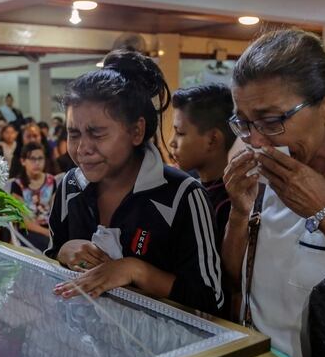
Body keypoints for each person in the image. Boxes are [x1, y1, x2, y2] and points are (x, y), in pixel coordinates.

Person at [222, 29, 325, 357]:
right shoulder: (264, 172)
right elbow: (235, 280)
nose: (256, 140)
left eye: (271, 120)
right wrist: (239, 212)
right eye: (243, 122)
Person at [48, 49, 224, 315]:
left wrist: (135, 270)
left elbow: (211, 300)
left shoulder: (182, 195)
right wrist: (62, 252)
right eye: (74, 134)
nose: (83, 148)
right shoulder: (70, 186)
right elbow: (47, 267)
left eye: (97, 133)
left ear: (136, 131)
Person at [169, 84, 236, 244]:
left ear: (212, 139)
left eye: (180, 133)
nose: (172, 142)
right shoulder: (193, 187)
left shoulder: (229, 204)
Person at [11, 142, 57, 252]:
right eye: (32, 159)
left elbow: (55, 212)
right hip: (29, 230)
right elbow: (24, 222)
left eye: (40, 158)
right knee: (48, 246)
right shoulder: (17, 184)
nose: (37, 163)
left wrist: (53, 232)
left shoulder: (51, 181)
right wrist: (47, 233)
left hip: (49, 228)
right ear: (23, 161)